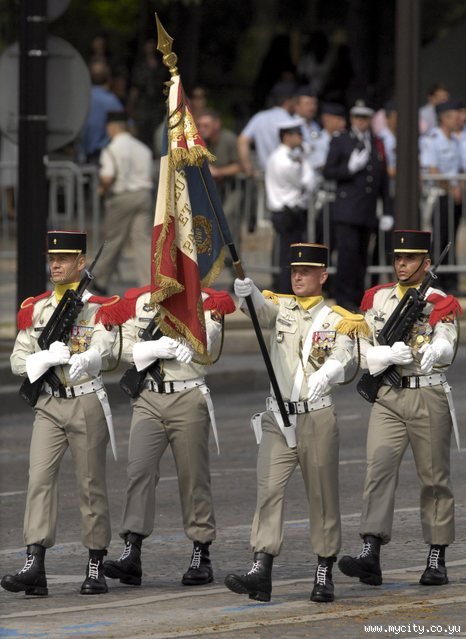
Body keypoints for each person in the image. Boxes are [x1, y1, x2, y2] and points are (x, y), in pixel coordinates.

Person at [224, 243, 366, 603]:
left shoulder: (336, 318)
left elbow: (346, 355)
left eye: (306, 272)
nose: (298, 277)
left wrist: (331, 370)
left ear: (323, 275)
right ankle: (261, 567)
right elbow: (259, 310)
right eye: (294, 271)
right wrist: (248, 291)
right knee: (268, 490)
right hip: (278, 417)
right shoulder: (281, 307)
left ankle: (324, 568)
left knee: (321, 496)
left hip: (316, 415)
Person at [339, 229, 461, 589]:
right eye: (397, 258)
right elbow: (361, 345)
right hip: (388, 396)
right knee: (378, 469)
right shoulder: (377, 298)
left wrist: (436, 351)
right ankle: (370, 551)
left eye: (410, 259)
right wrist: (381, 356)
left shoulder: (438, 301)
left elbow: (447, 339)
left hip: (426, 394)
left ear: (426, 262)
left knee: (434, 478)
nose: (402, 264)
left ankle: (436, 555)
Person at [1, 230, 119, 597]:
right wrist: (42, 359)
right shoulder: (36, 309)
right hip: (49, 404)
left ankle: (95, 561)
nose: (55, 264)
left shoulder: (96, 308)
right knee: (39, 479)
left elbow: (109, 351)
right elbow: (17, 359)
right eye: (52, 259)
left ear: (81, 263)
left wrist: (91, 357)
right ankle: (34, 562)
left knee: (90, 484)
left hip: (84, 400)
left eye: (64, 259)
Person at [103, 286, 235, 587]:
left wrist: (194, 341)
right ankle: (132, 550)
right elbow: (119, 347)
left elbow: (211, 345)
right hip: (148, 397)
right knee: (139, 471)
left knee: (193, 476)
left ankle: (201, 551)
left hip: (187, 394)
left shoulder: (204, 301)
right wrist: (150, 349)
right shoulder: (138, 302)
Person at [323, 99, 393, 311]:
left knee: (362, 257)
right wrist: (349, 168)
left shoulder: (376, 141)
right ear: (352, 118)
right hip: (347, 210)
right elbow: (329, 171)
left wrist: (387, 210)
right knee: (347, 256)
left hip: (367, 210)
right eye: (357, 117)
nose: (361, 121)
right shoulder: (341, 140)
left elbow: (382, 179)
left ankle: (357, 297)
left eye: (365, 117)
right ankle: (344, 297)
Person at [91, 111, 154, 295]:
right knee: (142, 240)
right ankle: (149, 284)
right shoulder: (143, 148)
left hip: (122, 196)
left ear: (112, 128)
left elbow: (108, 176)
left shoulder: (111, 149)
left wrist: (101, 188)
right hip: (143, 195)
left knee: (113, 239)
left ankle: (99, 278)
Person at [265, 119, 316, 293]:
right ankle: (286, 291)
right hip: (288, 211)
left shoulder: (281, 156)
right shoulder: (285, 160)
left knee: (288, 254)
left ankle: (286, 289)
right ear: (287, 136)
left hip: (286, 210)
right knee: (289, 256)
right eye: (298, 134)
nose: (301, 138)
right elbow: (305, 182)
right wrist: (306, 163)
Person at [420, 100, 462, 293]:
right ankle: (435, 280)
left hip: (453, 197)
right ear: (444, 118)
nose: (459, 120)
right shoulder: (432, 139)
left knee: (450, 238)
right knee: (439, 239)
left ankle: (450, 281)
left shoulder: (454, 140)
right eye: (454, 117)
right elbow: (432, 169)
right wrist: (452, 187)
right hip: (439, 195)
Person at [237, 81, 296, 176]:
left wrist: (248, 170)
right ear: (288, 101)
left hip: (265, 174)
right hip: (287, 174)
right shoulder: (291, 121)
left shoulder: (260, 117)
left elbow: (242, 141)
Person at [127, 39, 168, 149]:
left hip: (157, 105)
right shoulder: (140, 66)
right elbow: (135, 87)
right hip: (143, 105)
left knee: (156, 133)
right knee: (141, 133)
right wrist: (131, 106)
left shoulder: (162, 65)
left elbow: (166, 85)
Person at [80, 61, 123, 164]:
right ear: (108, 78)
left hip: (80, 156)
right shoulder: (111, 101)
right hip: (104, 157)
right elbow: (124, 128)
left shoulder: (81, 99)